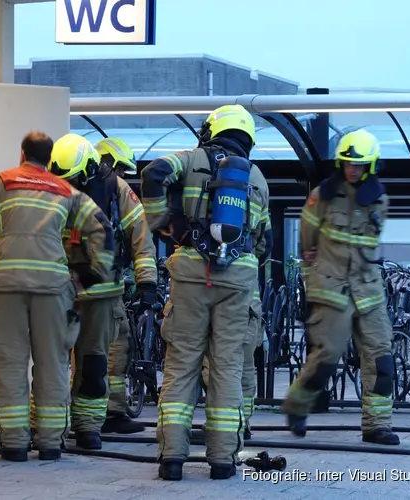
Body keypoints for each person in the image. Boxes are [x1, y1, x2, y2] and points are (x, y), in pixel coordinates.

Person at [0, 131, 115, 462]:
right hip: (53, 290)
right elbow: (103, 230)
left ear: (22, 154)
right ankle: (50, 444)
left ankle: (15, 444)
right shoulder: (66, 190)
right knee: (54, 365)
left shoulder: (1, 183)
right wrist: (86, 278)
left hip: (5, 288)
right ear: (49, 160)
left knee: (9, 365)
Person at [140, 104, 270, 481]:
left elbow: (154, 172)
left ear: (212, 129)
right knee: (227, 366)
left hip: (193, 273)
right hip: (238, 280)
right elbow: (266, 243)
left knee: (181, 365)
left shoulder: (191, 158)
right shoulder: (257, 178)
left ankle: (172, 458)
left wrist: (162, 222)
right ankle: (223, 460)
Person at [281, 129, 399, 446]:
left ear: (371, 165)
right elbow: (306, 244)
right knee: (328, 355)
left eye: (359, 164)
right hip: (332, 289)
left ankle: (377, 425)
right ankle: (297, 405)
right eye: (347, 163)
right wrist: (315, 281)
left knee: (382, 359)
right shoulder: (322, 195)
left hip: (369, 291)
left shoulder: (380, 199)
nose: (352, 169)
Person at [49, 134, 157, 448]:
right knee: (64, 361)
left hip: (85, 292)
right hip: (76, 290)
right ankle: (62, 428)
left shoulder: (114, 190)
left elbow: (141, 239)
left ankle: (84, 426)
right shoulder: (62, 189)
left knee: (91, 361)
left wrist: (147, 281)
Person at [86, 138, 159, 435]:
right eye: (123, 169)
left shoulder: (67, 184)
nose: (124, 176)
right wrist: (147, 283)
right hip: (105, 285)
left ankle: (81, 418)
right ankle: (111, 412)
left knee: (71, 353)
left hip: (65, 285)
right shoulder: (118, 188)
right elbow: (140, 236)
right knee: (117, 345)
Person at [199, 213, 272, 440]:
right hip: (248, 296)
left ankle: (219, 426)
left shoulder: (202, 182)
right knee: (245, 366)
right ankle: (242, 422)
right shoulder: (258, 185)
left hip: (207, 284)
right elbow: (267, 242)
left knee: (214, 365)